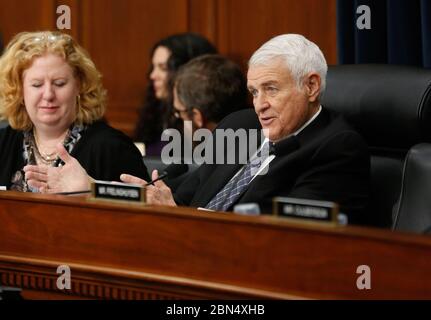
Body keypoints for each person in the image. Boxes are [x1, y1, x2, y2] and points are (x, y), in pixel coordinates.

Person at [26, 34, 370, 224]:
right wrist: (93, 188)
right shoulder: (242, 126)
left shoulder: (337, 147)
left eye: (271, 89)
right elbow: (170, 192)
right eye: (253, 92)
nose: (259, 104)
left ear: (311, 87)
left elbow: (282, 240)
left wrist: (180, 218)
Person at [0, 31, 149, 192]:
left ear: (79, 85)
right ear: (20, 91)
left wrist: (92, 190)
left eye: (59, 83)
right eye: (37, 85)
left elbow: (146, 209)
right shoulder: (3, 142)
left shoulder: (113, 148)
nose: (49, 94)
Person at [134, 33, 217, 156]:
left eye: (163, 68)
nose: (152, 75)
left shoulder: (196, 121)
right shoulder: (155, 111)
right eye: (154, 67)